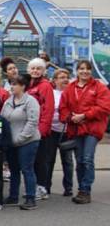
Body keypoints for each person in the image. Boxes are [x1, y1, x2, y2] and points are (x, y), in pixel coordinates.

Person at [58, 60, 109, 204]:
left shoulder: (99, 87)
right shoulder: (70, 88)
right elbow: (63, 108)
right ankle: (81, 189)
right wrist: (70, 118)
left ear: (91, 71)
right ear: (77, 71)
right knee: (79, 161)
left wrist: (85, 115)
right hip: (76, 130)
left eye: (87, 69)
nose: (84, 71)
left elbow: (104, 108)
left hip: (92, 129)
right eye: (81, 69)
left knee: (87, 158)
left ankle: (85, 190)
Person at [3, 74, 41, 210]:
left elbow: (32, 122)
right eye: (11, 84)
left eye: (14, 84)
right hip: (11, 143)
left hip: (28, 141)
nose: (11, 87)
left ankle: (30, 198)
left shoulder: (31, 101)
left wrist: (20, 139)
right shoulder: (8, 101)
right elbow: (3, 120)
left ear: (23, 86)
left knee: (27, 169)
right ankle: (13, 196)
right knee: (14, 170)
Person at [24, 58, 55, 201]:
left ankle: (42, 187)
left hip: (40, 130)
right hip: (28, 129)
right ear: (28, 70)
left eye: (38, 68)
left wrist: (42, 130)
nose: (35, 71)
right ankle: (33, 187)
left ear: (43, 71)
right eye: (33, 68)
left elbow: (48, 109)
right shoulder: (27, 84)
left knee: (40, 160)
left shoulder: (45, 86)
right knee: (31, 160)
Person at [49, 69, 76, 197]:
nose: (65, 80)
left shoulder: (72, 93)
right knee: (49, 160)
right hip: (52, 131)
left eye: (66, 77)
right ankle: (46, 186)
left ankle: (68, 187)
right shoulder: (51, 93)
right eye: (61, 77)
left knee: (67, 161)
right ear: (55, 81)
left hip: (67, 131)